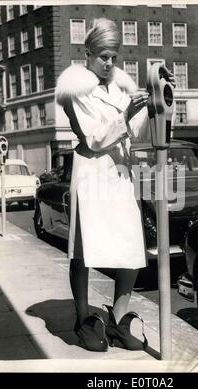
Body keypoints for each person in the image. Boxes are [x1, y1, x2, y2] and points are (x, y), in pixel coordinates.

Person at [56, 18, 154, 352]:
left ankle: (117, 318)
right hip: (92, 174)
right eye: (102, 56)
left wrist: (151, 102)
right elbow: (94, 138)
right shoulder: (76, 89)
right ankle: (84, 318)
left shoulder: (120, 87)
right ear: (88, 53)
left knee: (130, 250)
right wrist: (125, 117)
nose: (109, 62)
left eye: (113, 55)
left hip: (121, 175)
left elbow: (135, 134)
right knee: (84, 253)